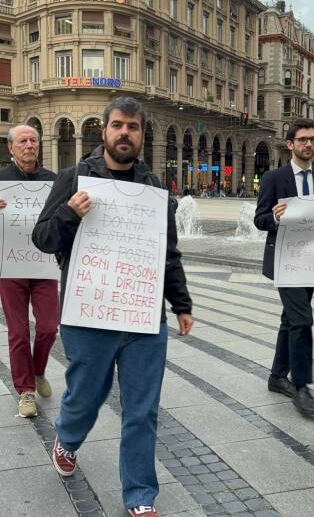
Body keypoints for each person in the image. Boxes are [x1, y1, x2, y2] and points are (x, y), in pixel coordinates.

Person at [32, 96, 193, 517]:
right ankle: (67, 439)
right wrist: (69, 213)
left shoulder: (156, 188)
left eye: (133, 127)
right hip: (89, 314)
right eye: (118, 125)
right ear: (103, 131)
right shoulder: (74, 178)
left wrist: (181, 303)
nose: (125, 133)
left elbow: (168, 253)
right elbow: (42, 239)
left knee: (142, 409)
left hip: (142, 315)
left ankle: (140, 496)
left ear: (142, 135)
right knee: (86, 396)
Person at [254, 118, 314, 417]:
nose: (309, 144)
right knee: (302, 319)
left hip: (312, 260)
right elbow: (259, 220)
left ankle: (277, 376)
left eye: (312, 139)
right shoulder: (274, 178)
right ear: (290, 145)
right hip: (285, 260)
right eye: (302, 140)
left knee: (291, 319)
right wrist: (274, 217)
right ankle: (301, 386)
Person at [0, 125, 59, 418]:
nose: (29, 145)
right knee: (19, 332)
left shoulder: (53, 181)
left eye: (33, 141)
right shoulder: (0, 181)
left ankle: (37, 371)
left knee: (49, 327)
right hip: (10, 267)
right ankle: (25, 391)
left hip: (44, 265)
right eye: (22, 141)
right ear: (11, 148)